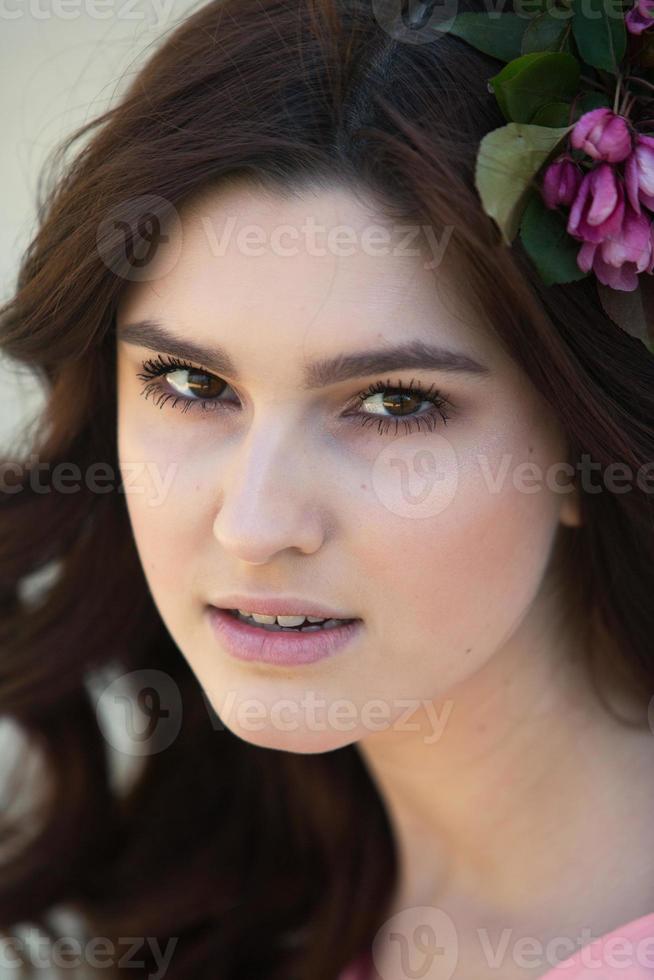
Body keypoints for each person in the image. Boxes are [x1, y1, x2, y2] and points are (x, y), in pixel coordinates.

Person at [0, 0, 653, 978]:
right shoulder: (245, 884)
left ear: (580, 440)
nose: (256, 522)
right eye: (191, 383)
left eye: (391, 403)